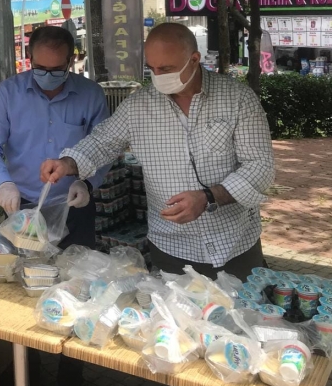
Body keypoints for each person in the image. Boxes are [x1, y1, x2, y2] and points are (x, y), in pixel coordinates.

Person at [41, 23, 275, 279]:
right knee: (175, 317)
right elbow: (102, 142)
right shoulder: (139, 106)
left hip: (235, 244)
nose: (157, 76)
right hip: (172, 248)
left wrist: (208, 197)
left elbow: (260, 167)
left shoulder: (238, 99)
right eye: (151, 69)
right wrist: (68, 162)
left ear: (194, 59)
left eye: (166, 69)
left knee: (243, 316)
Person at [0, 25, 110, 386]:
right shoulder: (9, 93)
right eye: (41, 68)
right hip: (22, 210)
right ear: (29, 59)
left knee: (74, 289)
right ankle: (28, 369)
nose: (48, 78)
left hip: (73, 207)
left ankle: (71, 377)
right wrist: (3, 182)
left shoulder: (90, 95)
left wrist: (89, 184)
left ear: (72, 61)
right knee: (25, 290)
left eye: (58, 70)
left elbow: (104, 149)